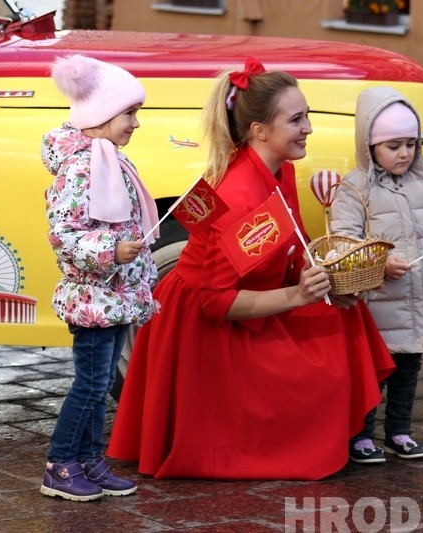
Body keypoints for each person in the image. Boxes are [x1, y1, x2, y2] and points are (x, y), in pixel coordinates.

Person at [106, 57, 394, 480]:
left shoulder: (279, 170)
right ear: (260, 130)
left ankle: (343, 431)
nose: (309, 128)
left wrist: (322, 280)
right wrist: (299, 295)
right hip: (205, 332)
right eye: (297, 119)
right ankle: (319, 436)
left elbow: (288, 247)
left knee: (346, 317)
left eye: (307, 116)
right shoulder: (242, 197)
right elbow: (215, 303)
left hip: (245, 302)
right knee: (323, 357)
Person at [39, 54, 159, 501]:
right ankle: (61, 464)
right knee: (90, 383)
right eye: (130, 113)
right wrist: (111, 250)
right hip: (93, 296)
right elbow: (65, 232)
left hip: (114, 295)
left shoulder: (109, 159)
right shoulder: (83, 167)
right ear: (102, 115)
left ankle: (90, 460)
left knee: (101, 382)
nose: (135, 123)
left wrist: (126, 252)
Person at [330, 86, 423, 464]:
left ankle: (399, 431)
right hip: (377, 302)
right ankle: (362, 435)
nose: (404, 154)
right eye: (393, 145)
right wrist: (379, 264)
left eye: (410, 144)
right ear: (370, 145)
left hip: (417, 296)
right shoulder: (355, 188)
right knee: (373, 371)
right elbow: (343, 243)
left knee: (408, 370)